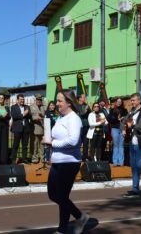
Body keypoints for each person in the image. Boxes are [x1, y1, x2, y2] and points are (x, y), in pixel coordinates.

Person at [46, 90, 89, 234]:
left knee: (62, 197)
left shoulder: (73, 118)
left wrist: (52, 143)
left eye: (60, 101)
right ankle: (80, 216)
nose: (56, 104)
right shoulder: (60, 118)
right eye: (57, 101)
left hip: (70, 162)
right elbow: (57, 138)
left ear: (69, 103)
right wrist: (51, 149)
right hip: (57, 161)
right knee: (53, 194)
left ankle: (62, 230)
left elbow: (73, 141)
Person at [10, 94, 32, 164]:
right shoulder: (13, 107)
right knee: (15, 145)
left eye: (23, 99)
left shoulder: (27, 107)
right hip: (17, 128)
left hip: (26, 128)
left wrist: (28, 113)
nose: (22, 100)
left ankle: (24, 159)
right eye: (21, 99)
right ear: (17, 100)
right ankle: (13, 159)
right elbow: (15, 116)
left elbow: (30, 116)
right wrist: (23, 114)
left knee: (25, 145)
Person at [108, 97, 128, 166]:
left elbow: (128, 119)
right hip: (115, 129)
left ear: (122, 102)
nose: (119, 102)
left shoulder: (125, 110)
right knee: (116, 145)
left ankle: (121, 162)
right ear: (116, 102)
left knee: (121, 146)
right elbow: (109, 119)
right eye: (118, 101)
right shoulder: (112, 110)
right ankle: (115, 162)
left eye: (120, 101)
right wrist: (117, 119)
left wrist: (124, 118)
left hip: (122, 129)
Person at [30, 94, 45, 163]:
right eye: (38, 99)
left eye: (40, 100)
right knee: (34, 144)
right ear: (35, 100)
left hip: (42, 128)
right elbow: (31, 116)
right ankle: (34, 158)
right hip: (35, 128)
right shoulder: (31, 107)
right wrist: (36, 118)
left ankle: (42, 158)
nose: (39, 101)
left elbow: (44, 116)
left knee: (42, 144)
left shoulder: (42, 107)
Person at [77, 94, 91, 161]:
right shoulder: (76, 106)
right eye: (84, 97)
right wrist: (86, 110)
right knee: (78, 143)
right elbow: (81, 113)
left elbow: (91, 114)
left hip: (86, 127)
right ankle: (77, 157)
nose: (85, 98)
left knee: (86, 143)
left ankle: (84, 158)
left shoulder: (86, 105)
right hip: (79, 127)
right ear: (80, 98)